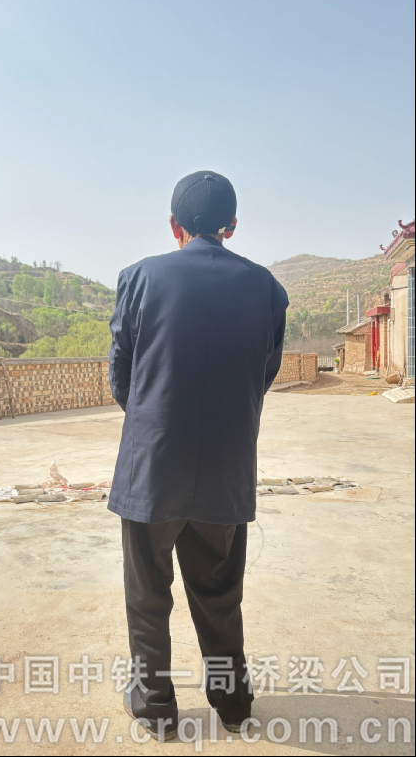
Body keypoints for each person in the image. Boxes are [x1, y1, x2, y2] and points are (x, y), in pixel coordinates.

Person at [108, 170, 289, 741]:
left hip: (151, 468)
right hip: (225, 470)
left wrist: (156, 420)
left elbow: (121, 378)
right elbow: (263, 376)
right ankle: (233, 705)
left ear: (174, 225)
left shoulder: (139, 278)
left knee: (147, 596)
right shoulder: (267, 289)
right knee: (219, 595)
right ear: (231, 225)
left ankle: (156, 709)